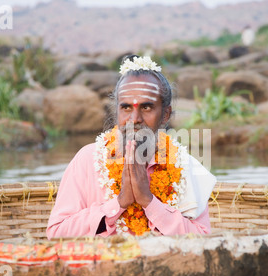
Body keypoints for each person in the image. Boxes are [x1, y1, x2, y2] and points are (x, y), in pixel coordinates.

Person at [46, 55, 217, 239]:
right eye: (126, 108)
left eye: (146, 107)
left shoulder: (185, 167)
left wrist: (149, 202)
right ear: (117, 110)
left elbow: (203, 239)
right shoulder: (87, 159)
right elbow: (57, 233)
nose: (134, 119)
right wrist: (119, 203)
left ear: (165, 114)